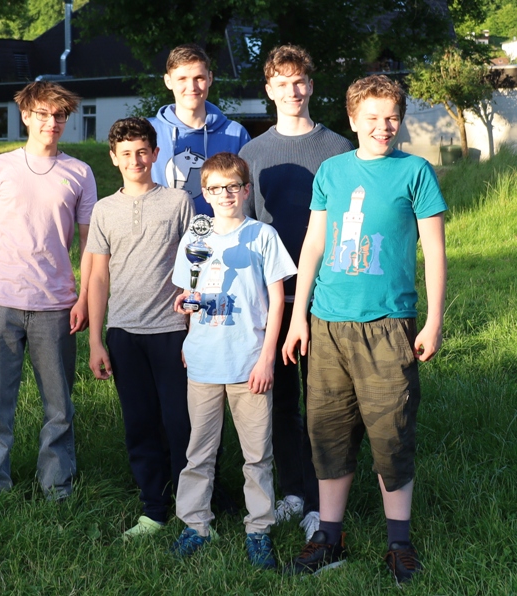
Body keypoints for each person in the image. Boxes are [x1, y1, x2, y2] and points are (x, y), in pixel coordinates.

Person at [282, 74, 447, 584]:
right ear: (352, 119)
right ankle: (329, 537)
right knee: (327, 431)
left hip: (387, 326)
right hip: (328, 324)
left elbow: (434, 251)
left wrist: (434, 320)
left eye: (392, 117)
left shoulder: (415, 172)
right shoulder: (332, 171)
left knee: (391, 432)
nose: (383, 126)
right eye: (372, 117)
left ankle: (399, 544)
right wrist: (298, 317)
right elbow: (314, 245)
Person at [239, 44, 353, 541]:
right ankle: (291, 491)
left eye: (300, 81)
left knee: (322, 402)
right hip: (272, 299)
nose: (293, 91)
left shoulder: (339, 148)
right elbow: (243, 228)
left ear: (311, 85)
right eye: (282, 83)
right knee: (281, 401)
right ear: (269, 90)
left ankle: (320, 496)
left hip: (326, 296)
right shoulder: (252, 153)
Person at [0, 80, 97, 511]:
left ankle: (57, 486)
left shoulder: (80, 173)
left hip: (57, 305)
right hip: (3, 301)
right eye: (42, 114)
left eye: (59, 115)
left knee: (59, 406)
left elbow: (89, 243)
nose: (51, 122)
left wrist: (83, 298)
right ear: (25, 115)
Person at [169, 153, 297, 569]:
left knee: (256, 454)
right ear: (204, 194)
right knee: (199, 451)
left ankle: (258, 529)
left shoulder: (262, 236)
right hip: (203, 360)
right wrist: (186, 315)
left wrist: (267, 359)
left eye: (233, 187)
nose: (225, 195)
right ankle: (196, 524)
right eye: (215, 188)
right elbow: (187, 294)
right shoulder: (196, 236)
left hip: (248, 361)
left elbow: (277, 302)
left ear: (246, 190)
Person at [86, 117, 194, 538]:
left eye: (143, 151)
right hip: (124, 333)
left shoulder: (178, 201)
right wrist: (96, 340)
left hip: (173, 330)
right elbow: (98, 277)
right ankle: (154, 508)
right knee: (140, 423)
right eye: (126, 153)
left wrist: (194, 330)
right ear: (114, 158)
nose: (136, 160)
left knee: (181, 423)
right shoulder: (104, 209)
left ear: (156, 153)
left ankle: (193, 506)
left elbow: (196, 267)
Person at [150, 43, 251, 218]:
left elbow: (248, 195)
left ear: (210, 78)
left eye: (199, 78)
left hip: (221, 233)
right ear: (168, 81)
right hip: (163, 233)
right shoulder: (149, 132)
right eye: (182, 79)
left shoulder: (236, 134)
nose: (192, 87)